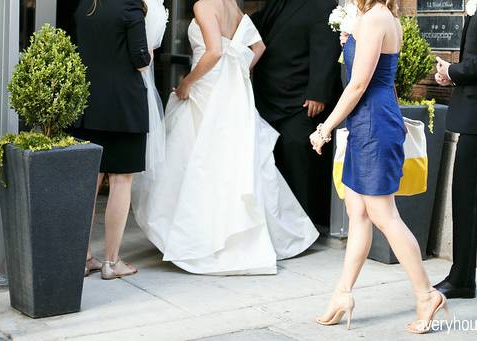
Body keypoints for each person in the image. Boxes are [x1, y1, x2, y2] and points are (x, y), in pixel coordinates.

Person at [131, 0, 319, 275]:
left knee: (201, 159)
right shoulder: (233, 7)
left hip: (207, 89)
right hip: (231, 90)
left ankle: (201, 237)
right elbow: (259, 48)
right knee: (230, 158)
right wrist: (239, 68)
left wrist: (187, 82)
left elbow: (214, 52)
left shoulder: (204, 6)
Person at [309, 0, 449, 334]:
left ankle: (426, 295)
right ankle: (342, 295)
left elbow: (359, 85)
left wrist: (324, 128)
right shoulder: (377, 18)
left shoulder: (376, 20)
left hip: (373, 124)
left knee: (384, 215)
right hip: (368, 123)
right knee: (357, 212)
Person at [74, 0, 151, 279]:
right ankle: (111, 262)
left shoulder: (85, 6)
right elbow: (140, 60)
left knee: (89, 182)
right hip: (122, 108)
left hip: (87, 105)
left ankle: (83, 259)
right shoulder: (129, 7)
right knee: (121, 181)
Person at [251, 0, 343, 230]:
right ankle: (284, 222)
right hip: (271, 94)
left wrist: (318, 92)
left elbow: (326, 47)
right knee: (275, 157)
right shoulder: (277, 3)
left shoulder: (323, 4)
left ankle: (308, 221)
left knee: (299, 157)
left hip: (303, 98)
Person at [433, 0, 477, 299]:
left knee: (465, 196)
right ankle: (461, 278)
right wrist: (452, 74)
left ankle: (461, 279)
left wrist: (454, 70)